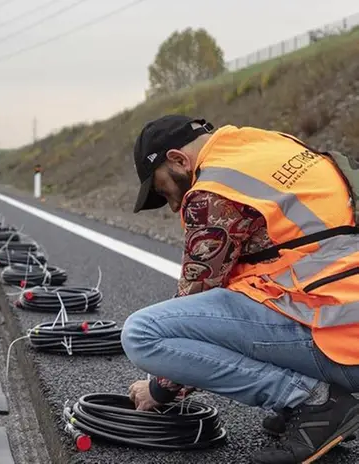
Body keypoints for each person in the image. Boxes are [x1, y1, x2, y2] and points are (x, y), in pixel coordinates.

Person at [121, 114, 359, 464]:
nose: (174, 205)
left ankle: (314, 402)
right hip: (344, 321)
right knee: (247, 294)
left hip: (336, 338)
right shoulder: (271, 145)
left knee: (142, 334)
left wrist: (159, 389)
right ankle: (308, 401)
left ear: (178, 159)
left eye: (163, 190)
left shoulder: (213, 192)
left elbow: (196, 298)